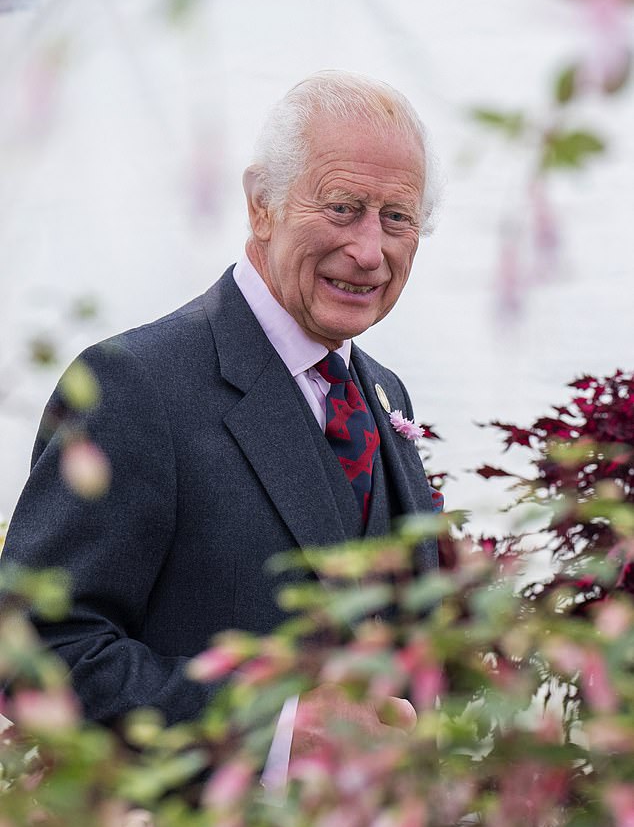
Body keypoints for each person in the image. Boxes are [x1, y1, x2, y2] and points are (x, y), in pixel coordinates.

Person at [0, 71, 440, 732]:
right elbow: (32, 651)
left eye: (397, 217)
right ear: (261, 203)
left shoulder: (385, 393)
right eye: (343, 207)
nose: (369, 250)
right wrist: (276, 734)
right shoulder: (134, 385)